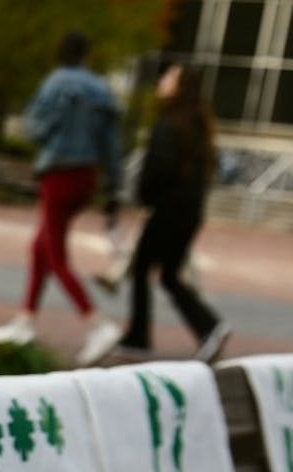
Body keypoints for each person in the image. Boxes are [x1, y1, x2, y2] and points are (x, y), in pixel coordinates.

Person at [0, 31, 123, 361]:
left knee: (55, 254)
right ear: (87, 55)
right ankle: (26, 320)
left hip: (59, 171)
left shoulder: (56, 84)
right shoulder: (102, 90)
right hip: (87, 175)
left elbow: (36, 128)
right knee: (40, 247)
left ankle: (96, 323)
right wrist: (115, 186)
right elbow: (112, 145)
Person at [92, 61, 230, 365]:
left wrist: (145, 196)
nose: (163, 80)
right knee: (167, 274)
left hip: (168, 210)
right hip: (190, 211)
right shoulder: (199, 124)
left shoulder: (170, 124)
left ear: (180, 86)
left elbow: (158, 170)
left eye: (170, 76)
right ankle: (206, 327)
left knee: (143, 268)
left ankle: (144, 336)